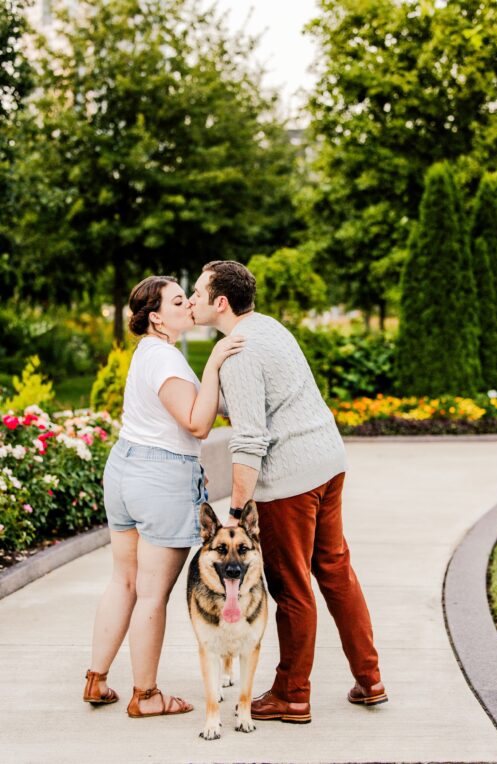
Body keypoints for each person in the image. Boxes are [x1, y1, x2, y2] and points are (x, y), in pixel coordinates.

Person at [188, 260, 385, 724]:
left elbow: (250, 439)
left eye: (197, 292)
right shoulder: (268, 328)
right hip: (328, 462)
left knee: (291, 588)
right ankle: (370, 679)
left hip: (291, 482)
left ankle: (292, 694)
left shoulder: (238, 353)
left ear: (220, 302)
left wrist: (235, 510)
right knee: (335, 571)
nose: (191, 299)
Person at [84, 275, 244, 717]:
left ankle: (96, 680)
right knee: (152, 594)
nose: (189, 304)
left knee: (125, 581)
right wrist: (213, 365)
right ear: (156, 316)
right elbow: (196, 424)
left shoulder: (148, 353)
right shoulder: (168, 361)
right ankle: (147, 696)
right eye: (179, 300)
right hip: (160, 477)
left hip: (124, 469)